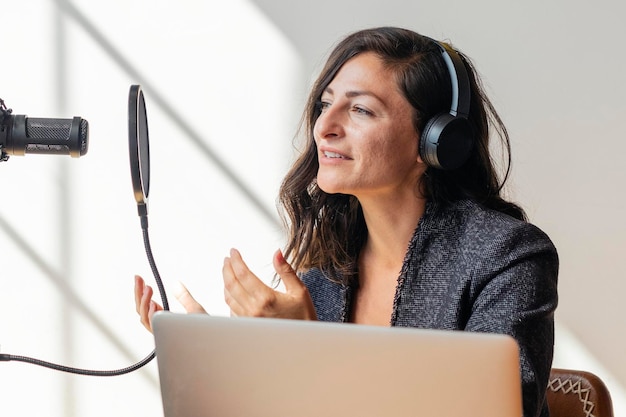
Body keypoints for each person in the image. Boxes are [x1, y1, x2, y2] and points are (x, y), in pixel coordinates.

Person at [134, 27, 558, 417]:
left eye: (360, 110)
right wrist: (222, 371)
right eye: (325, 104)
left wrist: (307, 348)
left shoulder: (509, 257)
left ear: (434, 143)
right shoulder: (324, 270)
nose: (325, 127)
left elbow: (497, 409)